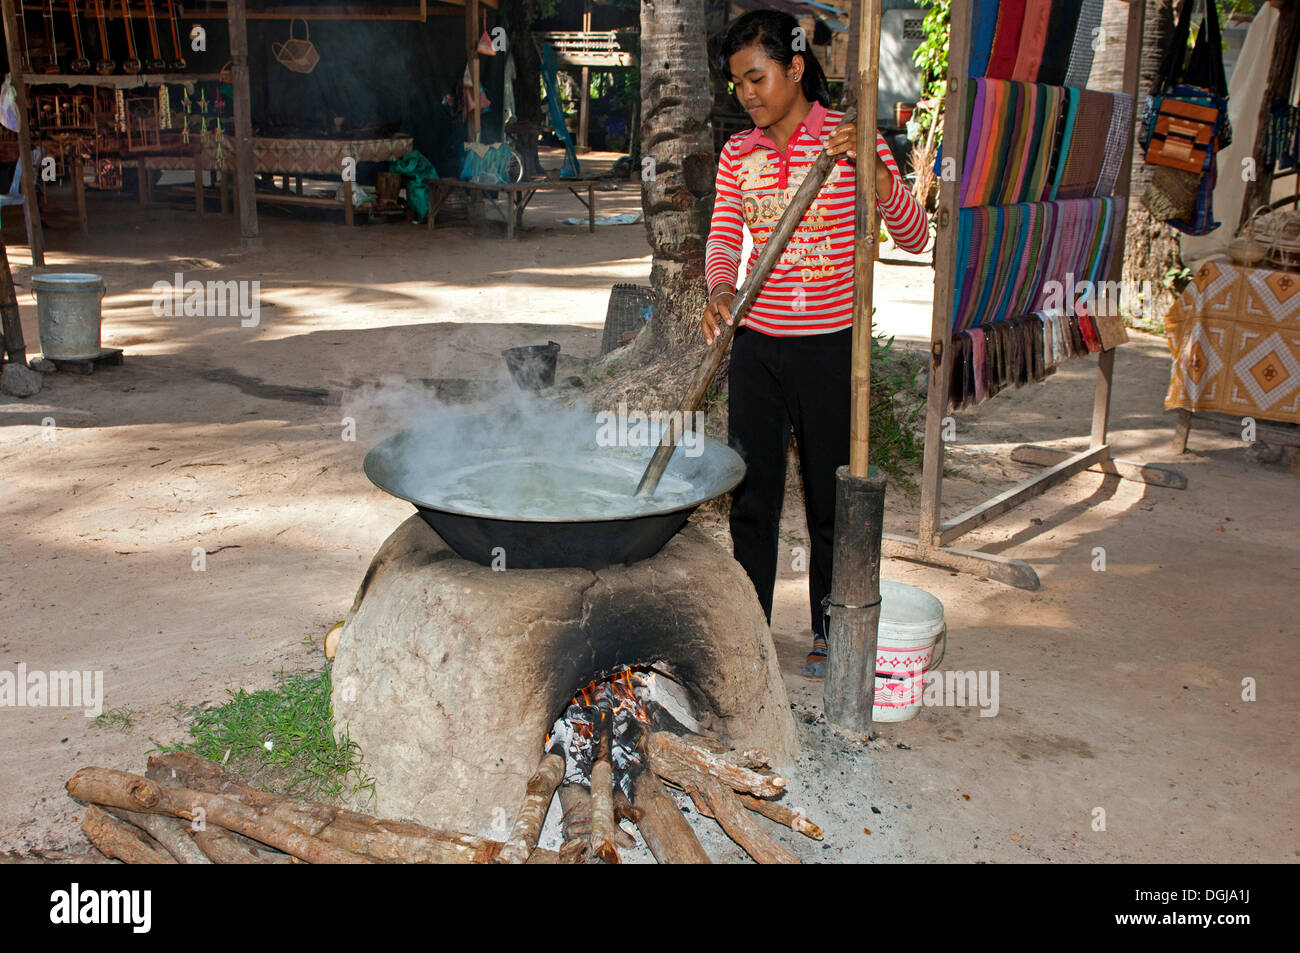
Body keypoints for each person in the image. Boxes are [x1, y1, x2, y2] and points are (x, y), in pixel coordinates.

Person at [703, 10, 928, 678]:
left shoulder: (848, 138)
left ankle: (833, 626)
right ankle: (749, 627)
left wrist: (878, 175)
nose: (746, 93)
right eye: (737, 83)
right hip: (756, 350)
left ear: (796, 67)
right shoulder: (738, 153)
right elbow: (722, 237)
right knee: (752, 496)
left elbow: (916, 237)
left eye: (757, 77)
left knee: (833, 493)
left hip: (831, 349)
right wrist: (720, 290)